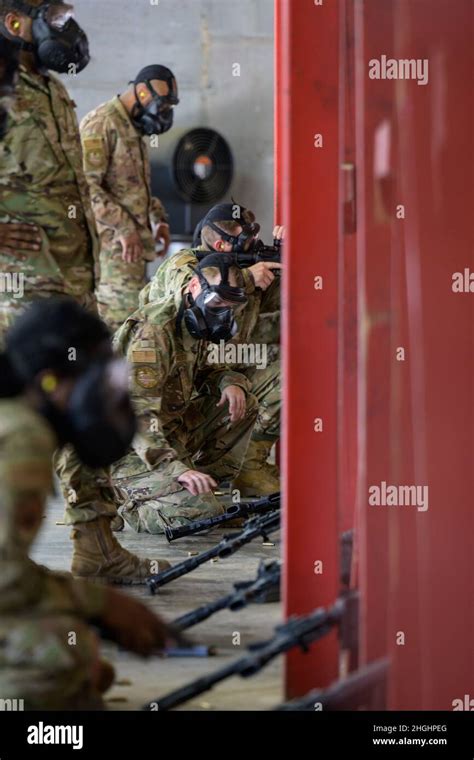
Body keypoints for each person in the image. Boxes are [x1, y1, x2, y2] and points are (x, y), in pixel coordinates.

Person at [0, 0, 161, 582]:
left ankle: (97, 546)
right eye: (56, 16)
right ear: (17, 21)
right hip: (18, 293)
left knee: (83, 404)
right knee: (24, 422)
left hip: (70, 287)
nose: (67, 28)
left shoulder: (51, 90)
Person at [0, 300, 175, 710]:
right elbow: (4, 579)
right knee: (55, 655)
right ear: (48, 382)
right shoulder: (21, 435)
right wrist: (102, 604)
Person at [140, 202, 282, 495]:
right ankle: (180, 475)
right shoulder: (183, 265)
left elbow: (285, 301)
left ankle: (246, 469)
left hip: (216, 375)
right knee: (193, 510)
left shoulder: (244, 270)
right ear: (220, 243)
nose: (253, 245)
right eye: (245, 239)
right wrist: (245, 279)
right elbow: (192, 291)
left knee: (287, 374)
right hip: (176, 395)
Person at [112, 253, 259, 534]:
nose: (223, 314)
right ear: (194, 286)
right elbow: (137, 413)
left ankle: (199, 486)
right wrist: (176, 470)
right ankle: (118, 499)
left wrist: (229, 381)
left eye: (231, 307)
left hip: (168, 433)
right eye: (218, 303)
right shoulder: (153, 332)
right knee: (200, 517)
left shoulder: (194, 322)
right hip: (126, 448)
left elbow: (206, 371)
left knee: (245, 401)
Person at [80, 65, 178, 331]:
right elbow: (85, 187)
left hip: (133, 252)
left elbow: (135, 190)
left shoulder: (133, 129)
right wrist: (124, 227)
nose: (165, 113)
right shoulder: (102, 123)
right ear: (142, 93)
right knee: (119, 329)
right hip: (113, 254)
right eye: (163, 105)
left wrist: (159, 220)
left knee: (132, 327)